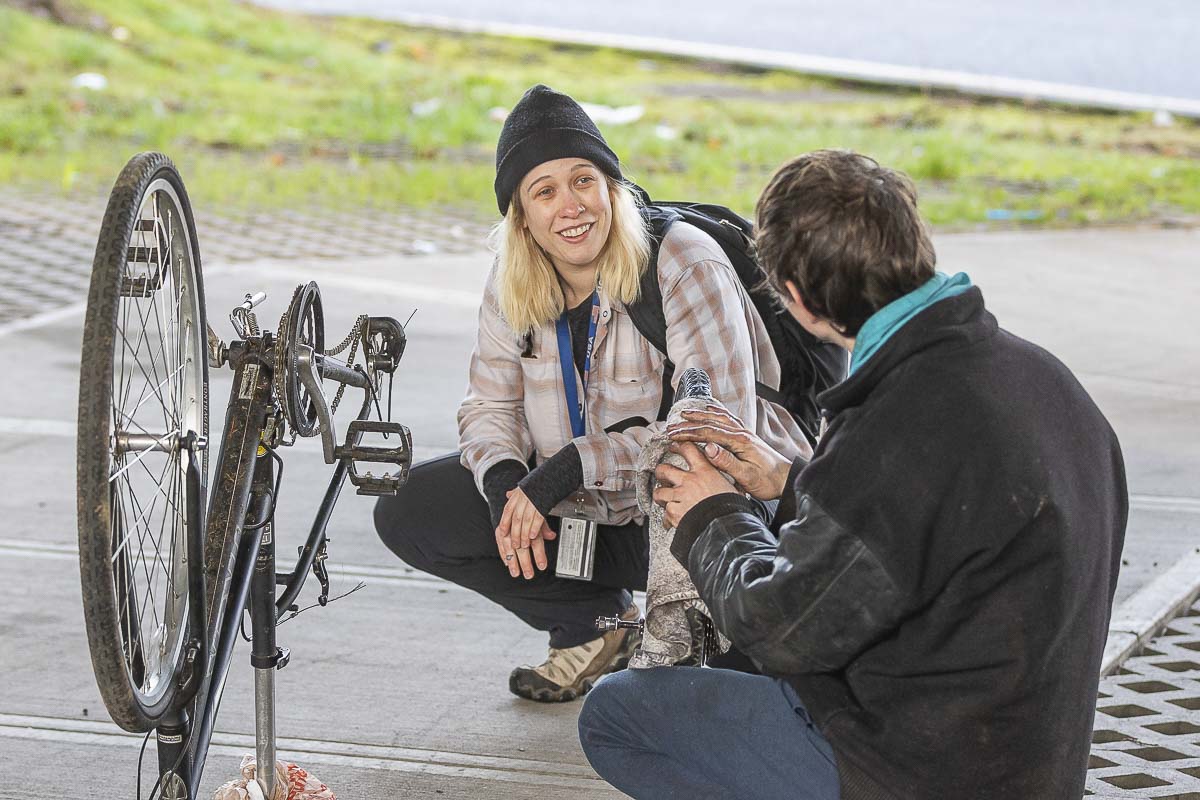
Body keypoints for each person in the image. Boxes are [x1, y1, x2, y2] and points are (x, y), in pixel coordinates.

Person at [577, 149, 1128, 798]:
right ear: (913, 242)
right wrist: (791, 481)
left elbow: (779, 631)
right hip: (1029, 764)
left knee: (616, 714)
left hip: (916, 772)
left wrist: (709, 512)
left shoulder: (895, 426)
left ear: (797, 301)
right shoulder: (1044, 381)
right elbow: (921, 531)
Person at [373, 85, 810, 703]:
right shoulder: (512, 283)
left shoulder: (683, 260)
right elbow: (487, 407)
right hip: (591, 515)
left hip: (706, 512)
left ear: (611, 188)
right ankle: (594, 626)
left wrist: (569, 466)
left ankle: (706, 632)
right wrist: (506, 490)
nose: (570, 206)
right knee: (412, 509)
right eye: (544, 191)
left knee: (722, 695)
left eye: (583, 180)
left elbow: (716, 433)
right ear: (522, 216)